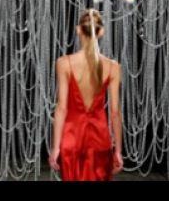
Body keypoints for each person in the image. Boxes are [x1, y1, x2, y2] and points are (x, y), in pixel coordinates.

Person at [49, 9, 123, 181]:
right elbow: (115, 112)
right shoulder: (113, 66)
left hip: (71, 138)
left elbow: (61, 108)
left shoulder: (64, 63)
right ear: (101, 31)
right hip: (100, 140)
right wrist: (118, 150)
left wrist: (56, 147)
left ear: (78, 30)